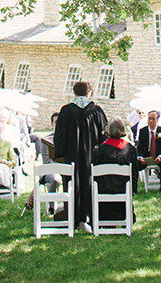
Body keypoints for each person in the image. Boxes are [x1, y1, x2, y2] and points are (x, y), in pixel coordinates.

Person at [53, 80, 107, 230]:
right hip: (92, 156)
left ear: (74, 92)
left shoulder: (66, 110)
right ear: (89, 92)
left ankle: (73, 217)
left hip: (72, 156)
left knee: (72, 183)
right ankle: (91, 217)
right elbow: (104, 135)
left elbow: (59, 136)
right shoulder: (96, 111)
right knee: (91, 183)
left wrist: (61, 154)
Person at [92, 118, 142, 224]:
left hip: (103, 191)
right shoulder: (129, 149)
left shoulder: (99, 150)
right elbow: (134, 172)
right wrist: (132, 190)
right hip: (122, 190)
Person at [136, 110, 161, 190]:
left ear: (157, 120)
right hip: (146, 156)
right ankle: (133, 189)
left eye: (153, 119)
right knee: (134, 164)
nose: (151, 121)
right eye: (149, 119)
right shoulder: (143, 131)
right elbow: (140, 147)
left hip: (159, 155)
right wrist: (140, 157)